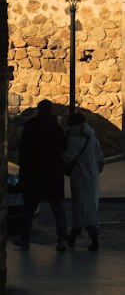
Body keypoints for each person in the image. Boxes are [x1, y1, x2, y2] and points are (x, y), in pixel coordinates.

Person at [16, 98, 68, 250]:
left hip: (33, 174)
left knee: (29, 209)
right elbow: (64, 147)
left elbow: (23, 150)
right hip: (52, 174)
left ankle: (24, 239)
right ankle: (62, 240)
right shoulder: (56, 127)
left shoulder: (31, 126)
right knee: (57, 208)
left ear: (38, 109)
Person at [63, 109, 104, 251]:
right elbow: (100, 158)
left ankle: (86, 238)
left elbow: (67, 158)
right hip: (92, 178)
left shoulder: (73, 140)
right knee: (88, 208)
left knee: (81, 209)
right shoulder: (93, 139)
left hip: (80, 178)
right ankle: (73, 237)